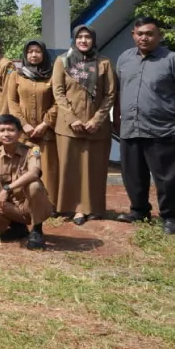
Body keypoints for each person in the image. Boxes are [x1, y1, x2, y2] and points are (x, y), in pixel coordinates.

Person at [115, 16, 175, 235]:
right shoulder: (124, 59)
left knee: (166, 177)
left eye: (149, 33)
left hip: (162, 129)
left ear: (159, 35)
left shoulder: (173, 60)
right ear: (133, 35)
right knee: (133, 175)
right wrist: (116, 118)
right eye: (140, 33)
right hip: (130, 128)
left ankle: (171, 217)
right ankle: (139, 210)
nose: (144, 37)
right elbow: (118, 92)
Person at [51, 24, 114, 225]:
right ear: (74, 40)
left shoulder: (103, 63)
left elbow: (110, 94)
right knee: (70, 168)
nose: (84, 41)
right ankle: (71, 207)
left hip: (96, 127)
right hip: (69, 126)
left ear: (93, 39)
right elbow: (58, 93)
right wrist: (72, 119)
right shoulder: (62, 61)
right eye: (80, 37)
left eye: (88, 37)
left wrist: (96, 120)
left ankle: (92, 208)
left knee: (94, 168)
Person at [0, 114, 52, 250]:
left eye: (11, 130)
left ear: (19, 132)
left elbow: (33, 173)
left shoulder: (32, 150)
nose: (6, 134)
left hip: (32, 206)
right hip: (11, 207)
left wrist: (6, 189)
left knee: (34, 185)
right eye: (2, 130)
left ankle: (37, 230)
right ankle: (17, 228)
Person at [6, 40, 58, 209]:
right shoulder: (16, 74)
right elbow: (12, 102)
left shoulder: (52, 75)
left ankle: (49, 204)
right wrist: (24, 124)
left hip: (46, 131)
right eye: (30, 52)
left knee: (49, 168)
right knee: (23, 167)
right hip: (24, 133)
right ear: (25, 54)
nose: (34, 55)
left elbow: (58, 102)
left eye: (37, 51)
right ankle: (23, 202)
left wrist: (45, 123)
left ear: (44, 54)